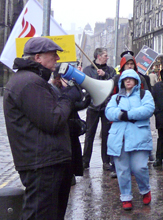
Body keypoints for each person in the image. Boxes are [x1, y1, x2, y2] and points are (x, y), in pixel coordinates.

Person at [4, 37, 80, 219]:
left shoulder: (31, 80)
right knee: (40, 214)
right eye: (53, 55)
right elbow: (53, 120)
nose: (56, 58)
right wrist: (68, 98)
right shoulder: (29, 82)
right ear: (38, 57)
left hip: (44, 160)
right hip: (42, 163)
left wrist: (71, 102)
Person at [105, 69, 155, 210]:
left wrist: (128, 114)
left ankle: (145, 189)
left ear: (136, 81)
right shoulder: (116, 97)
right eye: (125, 79)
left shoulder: (144, 94)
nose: (128, 81)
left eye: (130, 79)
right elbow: (109, 112)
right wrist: (121, 115)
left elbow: (148, 109)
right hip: (119, 138)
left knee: (140, 167)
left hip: (139, 136)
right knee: (122, 170)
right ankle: (126, 196)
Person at [51, 66, 92, 181]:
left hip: (71, 130)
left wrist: (87, 93)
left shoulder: (69, 90)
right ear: (59, 78)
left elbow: (80, 104)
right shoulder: (56, 91)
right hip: (64, 131)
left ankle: (71, 173)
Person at [82, 48, 116, 173]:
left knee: (106, 135)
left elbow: (114, 83)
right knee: (89, 134)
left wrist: (105, 75)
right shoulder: (88, 70)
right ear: (98, 56)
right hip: (93, 106)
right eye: (105, 55)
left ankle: (106, 161)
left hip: (106, 106)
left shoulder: (110, 70)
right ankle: (85, 160)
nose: (107, 57)